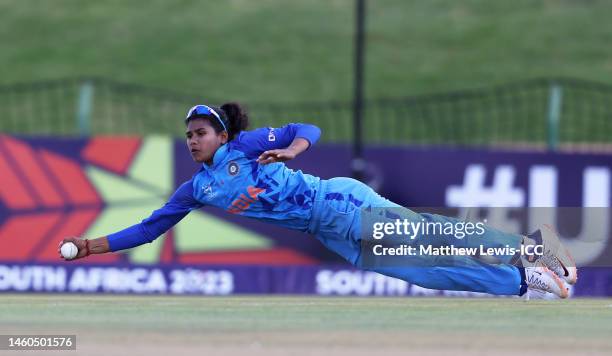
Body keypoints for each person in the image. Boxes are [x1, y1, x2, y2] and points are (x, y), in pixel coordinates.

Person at [58, 102, 577, 298]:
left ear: (220, 135)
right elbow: (149, 230)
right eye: (189, 135)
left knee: (428, 234)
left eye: (201, 132)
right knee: (421, 271)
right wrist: (90, 246)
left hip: (340, 202)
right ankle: (519, 281)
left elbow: (309, 127)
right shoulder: (197, 189)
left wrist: (290, 148)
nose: (193, 140)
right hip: (326, 231)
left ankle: (528, 250)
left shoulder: (246, 144)